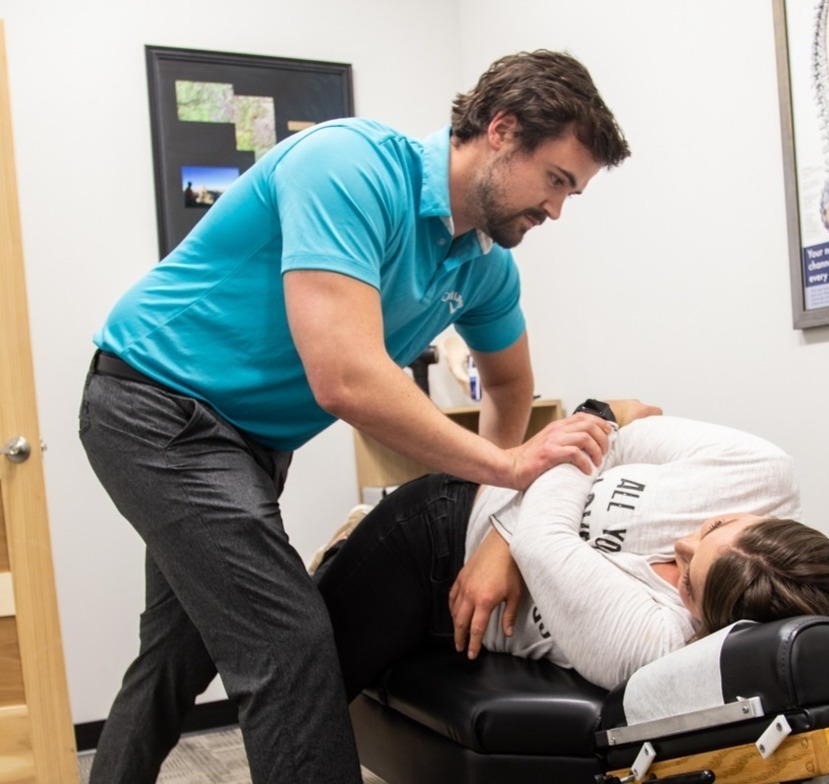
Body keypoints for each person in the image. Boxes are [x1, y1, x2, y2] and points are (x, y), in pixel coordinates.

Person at [79, 51, 629, 784]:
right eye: (555, 180)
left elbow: (507, 387)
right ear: (500, 131)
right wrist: (505, 467)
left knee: (178, 653)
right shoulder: (350, 165)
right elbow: (345, 378)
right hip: (155, 407)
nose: (556, 209)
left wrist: (484, 516)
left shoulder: (483, 265)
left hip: (248, 444)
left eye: (572, 194)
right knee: (289, 638)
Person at [313, 403, 829, 694]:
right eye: (714, 526)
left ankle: (340, 554)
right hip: (442, 522)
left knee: (301, 680)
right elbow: (619, 437)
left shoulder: (658, 643)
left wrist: (595, 425)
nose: (682, 541)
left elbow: (549, 531)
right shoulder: (761, 474)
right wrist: (505, 536)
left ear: (713, 624)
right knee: (291, 668)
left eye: (687, 577)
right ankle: (349, 544)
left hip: (451, 599)